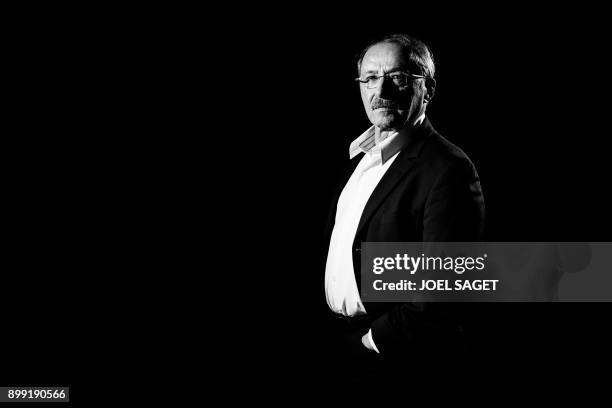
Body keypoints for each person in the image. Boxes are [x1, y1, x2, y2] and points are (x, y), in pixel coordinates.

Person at [322, 34, 485, 383]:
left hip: (397, 359)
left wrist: (372, 341)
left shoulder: (449, 169)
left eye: (397, 77)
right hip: (342, 343)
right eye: (370, 78)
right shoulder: (359, 159)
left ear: (427, 89)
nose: (381, 91)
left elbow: (446, 285)